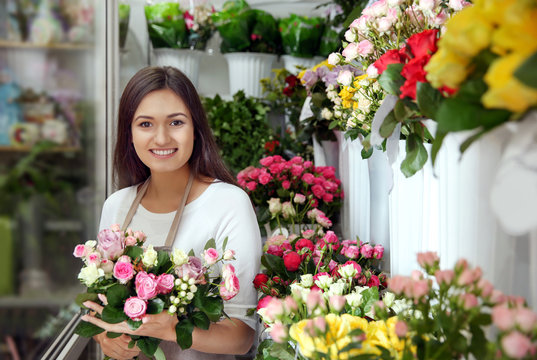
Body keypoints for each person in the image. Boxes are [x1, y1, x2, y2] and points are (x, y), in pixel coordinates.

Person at [81, 66, 261, 360]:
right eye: (145, 124)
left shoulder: (229, 203)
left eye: (176, 122)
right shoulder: (117, 205)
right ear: (129, 134)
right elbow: (100, 302)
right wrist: (106, 336)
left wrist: (171, 328)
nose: (162, 138)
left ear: (196, 129)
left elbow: (242, 337)